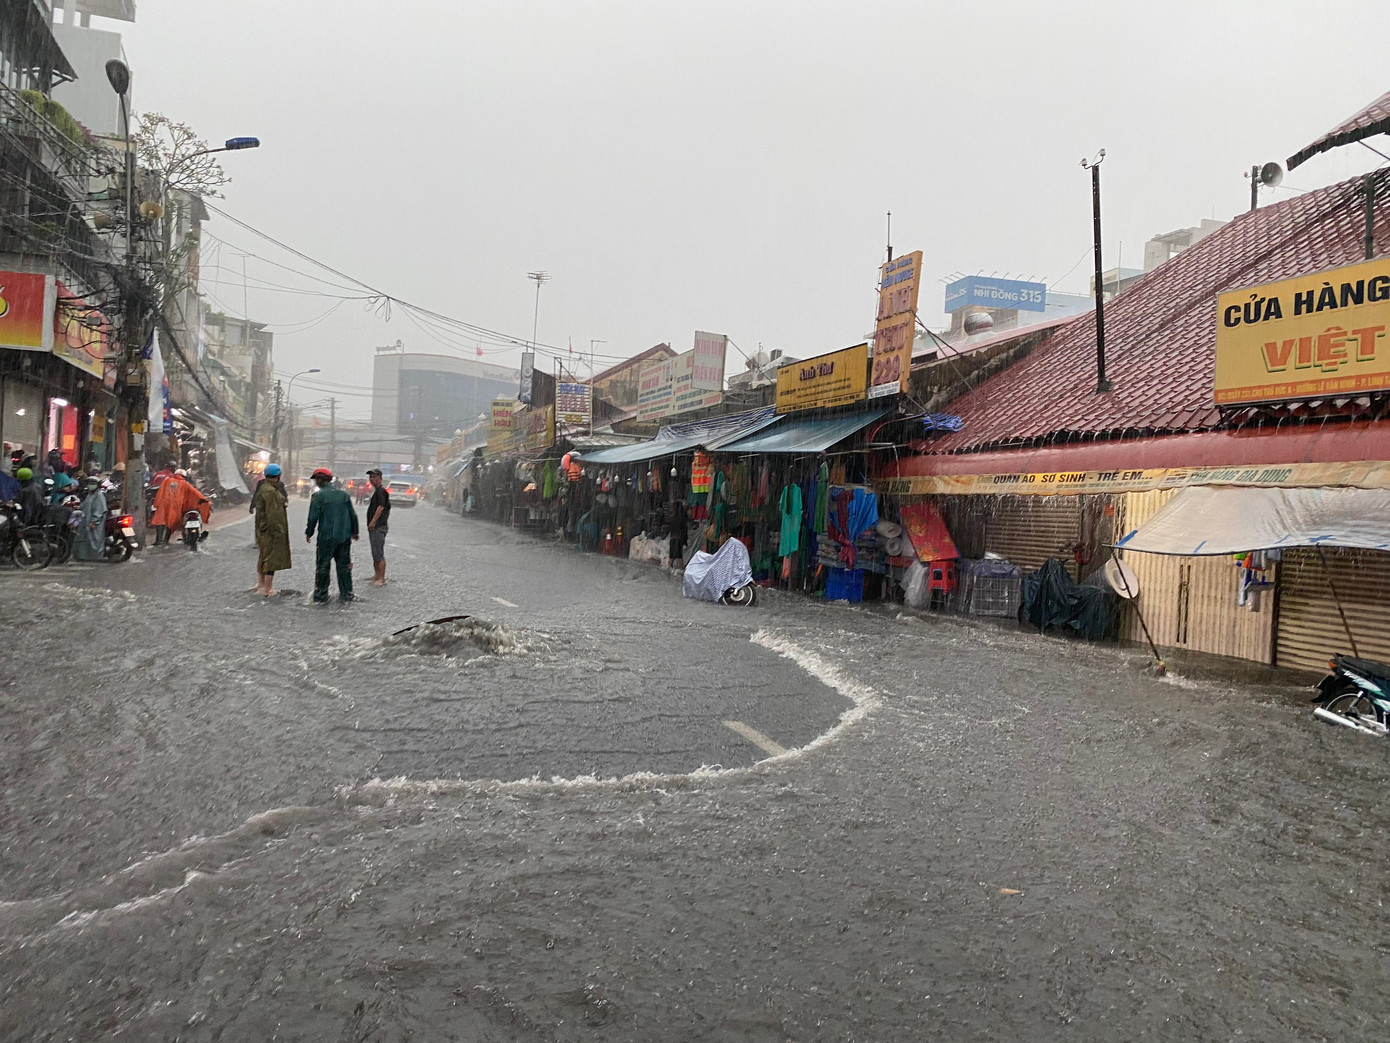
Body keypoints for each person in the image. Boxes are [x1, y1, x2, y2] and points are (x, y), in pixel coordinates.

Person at [305, 467, 358, 603]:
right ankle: (347, 595)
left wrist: (309, 532)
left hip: (326, 538)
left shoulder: (317, 496)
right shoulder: (344, 495)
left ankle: (321, 596)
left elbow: (313, 517)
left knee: (323, 567)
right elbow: (352, 515)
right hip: (344, 538)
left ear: (320, 480)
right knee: (344, 568)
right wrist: (355, 531)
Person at [252, 463, 292, 596]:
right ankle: (268, 589)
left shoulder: (264, 488)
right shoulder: (271, 492)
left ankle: (261, 585)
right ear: (278, 476)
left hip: (262, 528)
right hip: (270, 530)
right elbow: (273, 515)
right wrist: (279, 533)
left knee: (263, 555)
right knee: (271, 558)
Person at [151, 468, 210, 546]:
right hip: (176, 507)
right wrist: (205, 500)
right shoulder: (185, 484)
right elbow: (195, 493)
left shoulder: (167, 481)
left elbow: (160, 493)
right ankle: (165, 540)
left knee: (160, 521)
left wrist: (157, 504)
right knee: (171, 523)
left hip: (163, 505)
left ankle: (158, 541)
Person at [72, 475, 107, 562]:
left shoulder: (99, 495)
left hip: (93, 522)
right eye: (89, 483)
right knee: (84, 538)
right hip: (86, 520)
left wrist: (94, 521)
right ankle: (85, 556)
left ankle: (95, 556)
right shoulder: (90, 494)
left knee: (94, 539)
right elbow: (86, 505)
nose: (90, 485)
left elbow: (99, 510)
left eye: (93, 483)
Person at [365, 468, 390, 586]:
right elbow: (388, 508)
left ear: (380, 478)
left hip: (378, 527)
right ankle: (376, 575)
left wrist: (374, 522)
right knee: (374, 552)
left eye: (375, 477)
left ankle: (381, 578)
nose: (372, 479)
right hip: (376, 527)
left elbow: (381, 507)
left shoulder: (381, 492)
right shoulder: (377, 492)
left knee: (379, 552)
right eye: (371, 477)